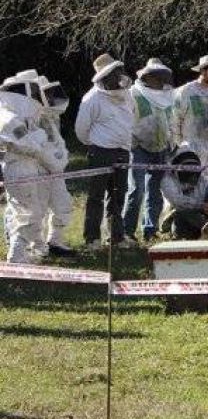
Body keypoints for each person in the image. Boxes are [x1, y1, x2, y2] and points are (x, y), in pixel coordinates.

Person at [75, 54, 135, 250]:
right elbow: (81, 130)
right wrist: (96, 144)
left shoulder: (127, 95)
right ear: (103, 77)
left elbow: (131, 119)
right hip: (100, 152)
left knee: (119, 195)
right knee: (96, 196)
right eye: (111, 74)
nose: (117, 77)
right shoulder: (91, 98)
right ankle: (92, 239)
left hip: (123, 151)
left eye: (117, 72)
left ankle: (116, 237)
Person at [0, 71, 60, 263]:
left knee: (24, 211)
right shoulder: (8, 118)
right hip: (19, 168)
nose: (34, 98)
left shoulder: (16, 116)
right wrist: (40, 139)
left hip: (24, 168)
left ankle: (21, 253)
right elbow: (27, 144)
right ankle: (16, 257)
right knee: (27, 213)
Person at [122, 58, 175, 244]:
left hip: (161, 147)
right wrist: (132, 143)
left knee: (155, 192)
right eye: (157, 76)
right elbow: (126, 121)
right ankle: (127, 231)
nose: (161, 80)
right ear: (147, 76)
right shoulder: (134, 94)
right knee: (136, 189)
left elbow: (171, 120)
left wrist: (171, 141)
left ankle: (150, 229)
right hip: (138, 148)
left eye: (163, 76)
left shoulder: (167, 96)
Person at [36, 74, 75, 256]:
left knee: (63, 204)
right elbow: (35, 147)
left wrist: (61, 159)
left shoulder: (52, 116)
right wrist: (52, 162)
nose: (51, 97)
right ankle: (36, 246)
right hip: (38, 170)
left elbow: (56, 143)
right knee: (38, 209)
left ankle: (55, 241)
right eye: (47, 93)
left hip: (55, 169)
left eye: (51, 93)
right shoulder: (34, 116)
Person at [172, 54, 208, 180]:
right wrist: (181, 144)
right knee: (193, 183)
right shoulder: (186, 91)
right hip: (193, 146)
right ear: (202, 71)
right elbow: (175, 119)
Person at [160, 148, 208, 239]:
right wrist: (202, 206)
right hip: (182, 219)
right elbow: (178, 201)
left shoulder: (203, 180)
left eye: (195, 172)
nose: (193, 176)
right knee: (181, 212)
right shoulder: (168, 181)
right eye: (189, 172)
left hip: (206, 214)